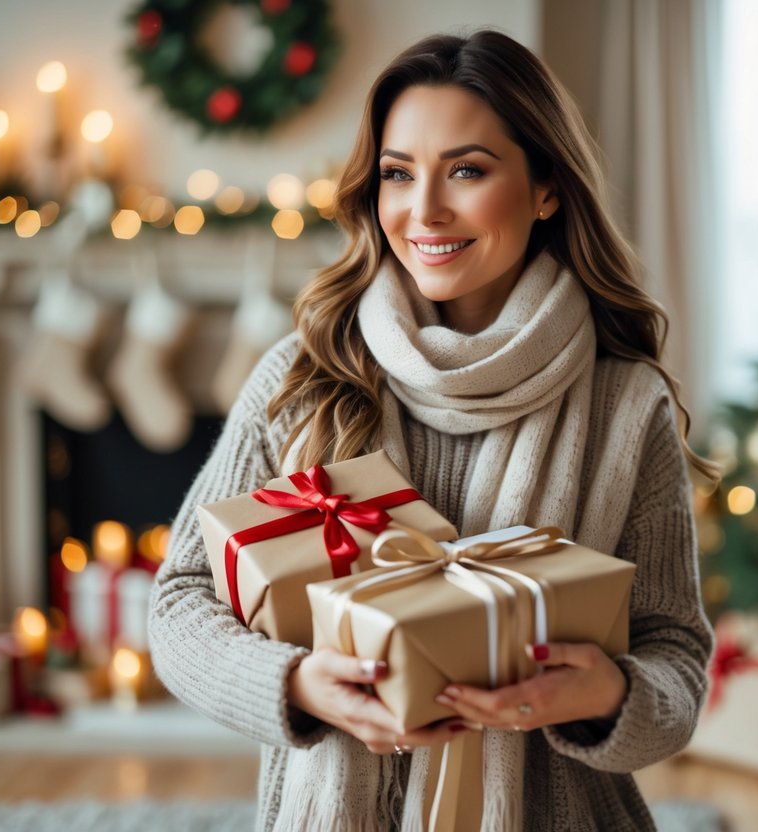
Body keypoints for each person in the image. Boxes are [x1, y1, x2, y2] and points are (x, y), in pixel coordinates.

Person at [148, 29, 717, 831]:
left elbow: (677, 663)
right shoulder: (302, 376)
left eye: (467, 171)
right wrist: (300, 685)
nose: (423, 212)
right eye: (396, 174)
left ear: (546, 186)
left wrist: (606, 693)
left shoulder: (625, 406)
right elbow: (177, 603)